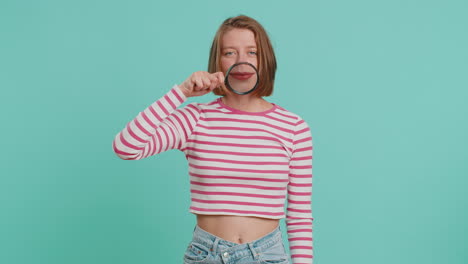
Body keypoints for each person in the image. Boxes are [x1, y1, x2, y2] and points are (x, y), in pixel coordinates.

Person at [112, 15, 313, 264]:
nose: (241, 61)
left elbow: (299, 215)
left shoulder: (293, 127)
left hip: (269, 256)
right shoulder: (195, 118)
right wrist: (181, 93)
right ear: (217, 61)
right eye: (230, 52)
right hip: (206, 255)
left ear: (265, 60)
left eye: (252, 52)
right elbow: (126, 146)